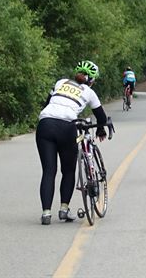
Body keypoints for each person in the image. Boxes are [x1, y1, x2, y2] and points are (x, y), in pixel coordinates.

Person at [36, 60, 108, 225]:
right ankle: (64, 209)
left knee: (48, 171)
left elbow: (47, 103)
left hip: (45, 124)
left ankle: (46, 213)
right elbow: (101, 117)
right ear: (91, 79)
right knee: (68, 171)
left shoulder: (60, 82)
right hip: (66, 126)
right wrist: (101, 129)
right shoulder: (89, 92)